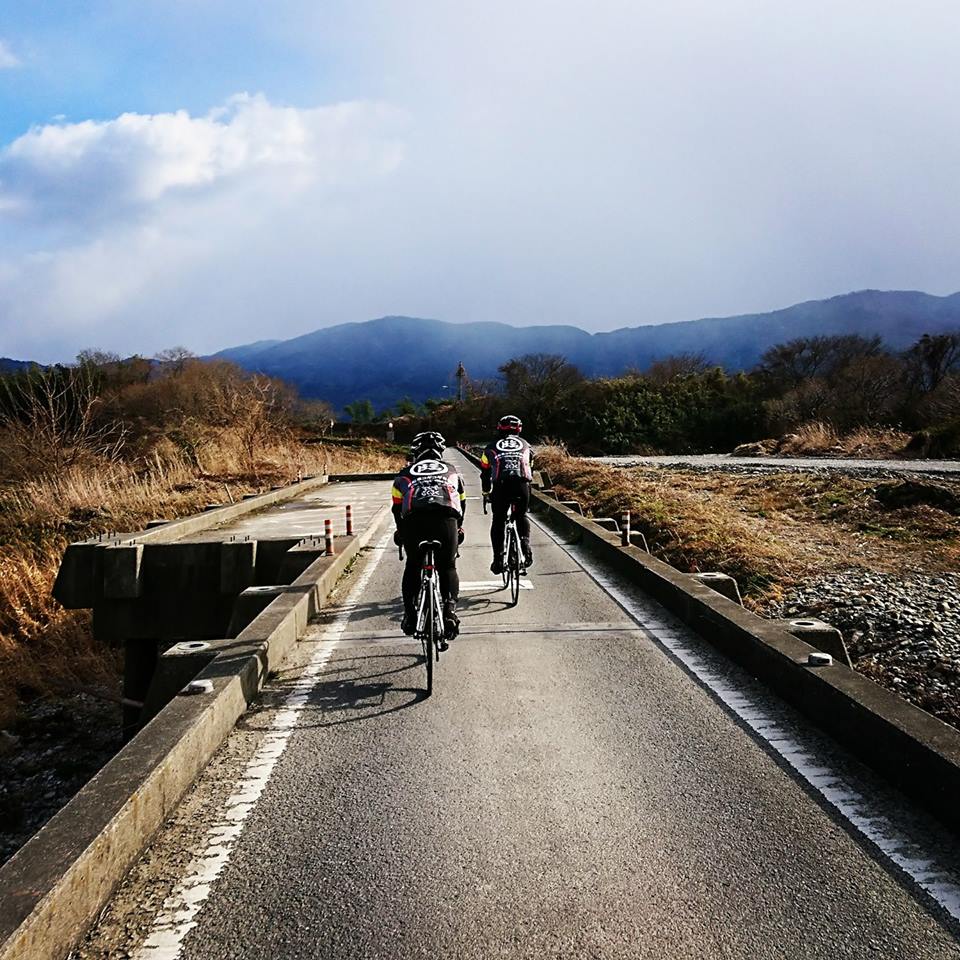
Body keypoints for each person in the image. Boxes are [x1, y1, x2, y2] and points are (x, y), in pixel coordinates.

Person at [391, 431, 466, 646]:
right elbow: (462, 503)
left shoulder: (404, 474)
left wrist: (400, 532)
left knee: (413, 565)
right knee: (448, 567)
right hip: (446, 519)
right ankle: (450, 612)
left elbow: (397, 509)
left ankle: (410, 615)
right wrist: (459, 529)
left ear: (416, 452)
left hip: (415, 521)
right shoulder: (452, 472)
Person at [480, 415, 534, 574]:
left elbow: (485, 472)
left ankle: (498, 559)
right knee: (521, 515)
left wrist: (486, 492)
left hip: (501, 486)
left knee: (498, 520)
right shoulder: (527, 446)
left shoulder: (490, 448)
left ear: (499, 428)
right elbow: (531, 468)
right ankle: (525, 544)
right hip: (522, 485)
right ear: (519, 429)